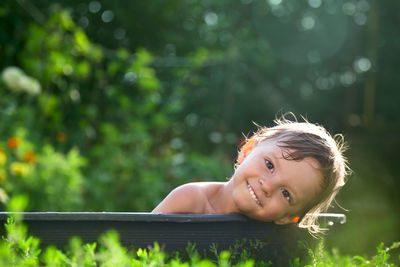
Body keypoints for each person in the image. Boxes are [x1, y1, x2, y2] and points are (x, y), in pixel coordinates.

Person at [152, 116, 349, 234]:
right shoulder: (191, 199)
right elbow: (138, 242)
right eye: (270, 165)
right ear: (247, 150)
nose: (268, 186)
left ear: (290, 218)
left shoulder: (275, 241)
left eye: (286, 193)